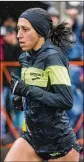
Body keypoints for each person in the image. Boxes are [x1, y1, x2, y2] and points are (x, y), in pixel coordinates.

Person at [4, 8, 82, 162]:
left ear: (40, 32)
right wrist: (19, 98)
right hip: (32, 137)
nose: (19, 34)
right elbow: (35, 92)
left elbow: (66, 101)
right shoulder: (25, 57)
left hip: (58, 144)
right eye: (18, 29)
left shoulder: (53, 57)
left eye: (25, 29)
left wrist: (28, 91)